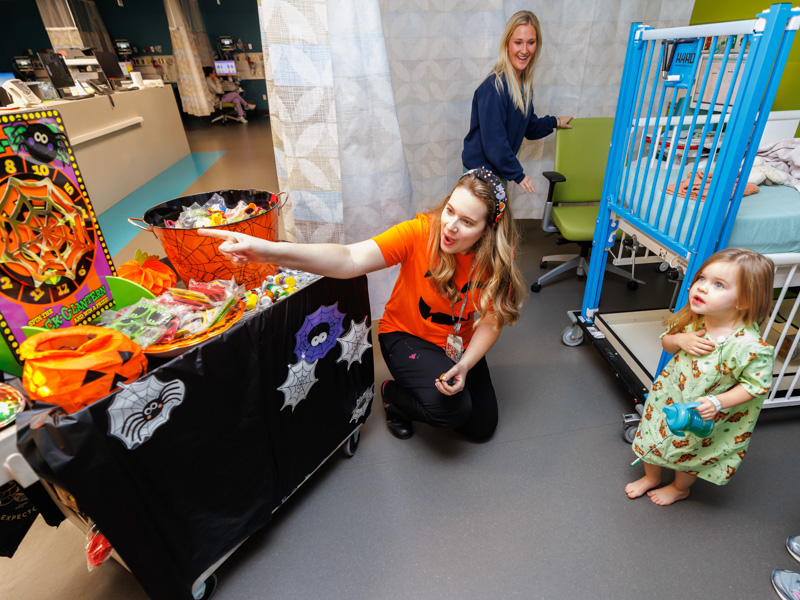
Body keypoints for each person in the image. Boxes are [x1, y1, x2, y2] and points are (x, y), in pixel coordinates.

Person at [199, 167, 526, 441]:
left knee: (481, 429)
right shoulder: (419, 233)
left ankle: (441, 377)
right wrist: (269, 250)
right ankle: (393, 396)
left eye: (467, 222)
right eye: (450, 210)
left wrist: (466, 364)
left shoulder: (497, 261)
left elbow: (491, 322)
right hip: (407, 337)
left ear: (487, 231)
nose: (450, 225)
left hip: (457, 345)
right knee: (453, 410)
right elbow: (351, 256)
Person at [625, 248, 775, 506]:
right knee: (650, 435)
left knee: (690, 454)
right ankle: (651, 477)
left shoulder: (749, 346)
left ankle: (679, 488)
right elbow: (667, 343)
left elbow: (756, 386)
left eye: (718, 285)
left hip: (702, 414)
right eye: (701, 278)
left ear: (744, 301)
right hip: (669, 398)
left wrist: (717, 404)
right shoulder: (697, 320)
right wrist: (680, 339)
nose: (701, 288)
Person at [462, 10, 573, 193]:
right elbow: (495, 144)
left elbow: (528, 126)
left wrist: (555, 122)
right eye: (518, 42)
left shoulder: (522, 86)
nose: (524, 50)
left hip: (497, 173)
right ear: (507, 44)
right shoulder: (494, 87)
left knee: (497, 222)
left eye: (531, 42)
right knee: (486, 222)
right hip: (480, 176)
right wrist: (519, 175)